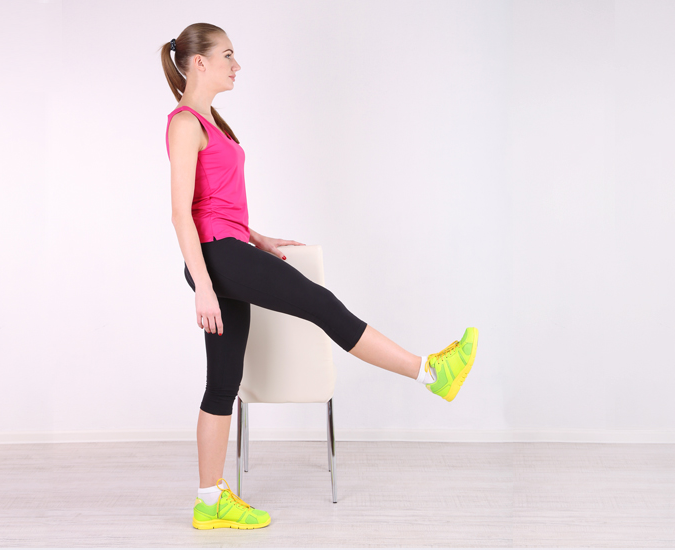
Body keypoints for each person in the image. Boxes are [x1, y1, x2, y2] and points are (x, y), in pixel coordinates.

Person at [161, 23, 479, 530]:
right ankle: (431, 373)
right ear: (199, 62)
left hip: (228, 248)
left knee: (223, 383)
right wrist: (203, 285)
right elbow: (181, 214)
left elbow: (213, 205)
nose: (236, 65)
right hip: (215, 259)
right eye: (227, 55)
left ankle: (209, 502)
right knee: (323, 306)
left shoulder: (211, 121)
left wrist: (256, 237)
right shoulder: (184, 123)